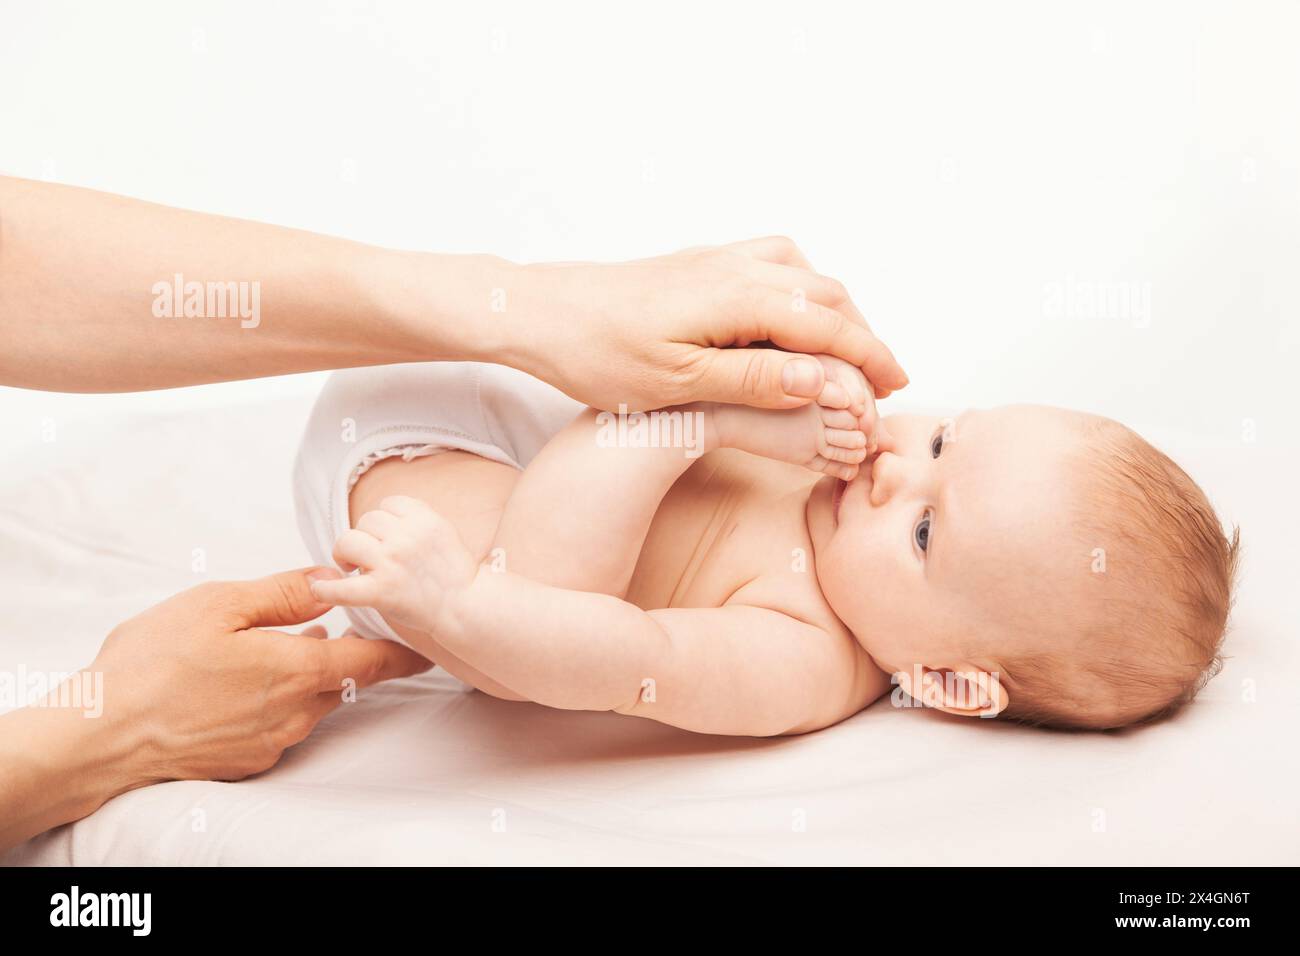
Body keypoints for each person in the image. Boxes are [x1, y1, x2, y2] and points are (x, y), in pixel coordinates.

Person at [0, 174, 906, 852]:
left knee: (527, 639)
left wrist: (694, 422)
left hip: (452, 496)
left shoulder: (811, 657)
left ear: (951, 678)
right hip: (525, 376)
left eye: (929, 530)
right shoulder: (874, 489)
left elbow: (631, 660)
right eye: (950, 447)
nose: (901, 474)